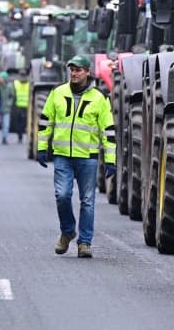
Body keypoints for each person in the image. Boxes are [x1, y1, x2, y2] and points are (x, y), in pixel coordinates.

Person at [37, 55, 115, 259]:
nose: (74, 73)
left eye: (78, 69)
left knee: (87, 200)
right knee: (62, 195)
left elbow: (108, 131)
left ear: (87, 72)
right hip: (62, 156)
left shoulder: (99, 98)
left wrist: (110, 159)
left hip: (87, 157)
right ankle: (68, 231)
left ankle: (84, 243)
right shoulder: (57, 93)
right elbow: (46, 122)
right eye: (71, 69)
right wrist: (41, 148)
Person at [11, 68, 30, 144]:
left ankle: (20, 137)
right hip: (19, 106)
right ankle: (20, 137)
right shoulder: (16, 83)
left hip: (23, 107)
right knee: (20, 123)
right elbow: (13, 94)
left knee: (22, 123)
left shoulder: (17, 83)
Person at [0, 71, 14, 145]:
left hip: (6, 108)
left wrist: (9, 104)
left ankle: (4, 137)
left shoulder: (10, 87)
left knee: (6, 125)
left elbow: (12, 96)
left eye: (1, 77)